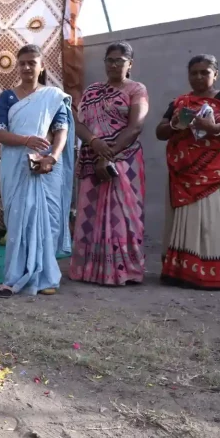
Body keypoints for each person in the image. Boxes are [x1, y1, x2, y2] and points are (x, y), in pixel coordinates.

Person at [156, 54, 220, 291]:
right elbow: (160, 132)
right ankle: (181, 273)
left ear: (215, 75)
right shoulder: (179, 102)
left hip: (217, 172)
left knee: (216, 219)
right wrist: (175, 124)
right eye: (193, 73)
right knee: (187, 220)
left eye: (204, 72)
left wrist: (215, 127)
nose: (198, 77)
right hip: (184, 174)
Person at [0, 44, 74, 297]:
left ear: (42, 66)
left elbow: (61, 130)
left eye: (32, 63)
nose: (27, 67)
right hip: (16, 165)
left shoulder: (53, 96)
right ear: (17, 66)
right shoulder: (8, 97)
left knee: (48, 220)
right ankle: (16, 274)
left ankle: (46, 276)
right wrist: (26, 140)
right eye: (23, 63)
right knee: (18, 220)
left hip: (46, 166)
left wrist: (53, 158)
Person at [69, 42, 150, 286]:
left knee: (122, 215)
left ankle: (124, 270)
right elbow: (79, 124)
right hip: (92, 158)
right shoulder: (93, 90)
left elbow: (136, 126)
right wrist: (95, 143)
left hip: (124, 159)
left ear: (130, 64)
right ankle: (90, 269)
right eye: (110, 60)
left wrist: (109, 153)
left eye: (119, 60)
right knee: (90, 213)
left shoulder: (136, 89)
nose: (114, 65)